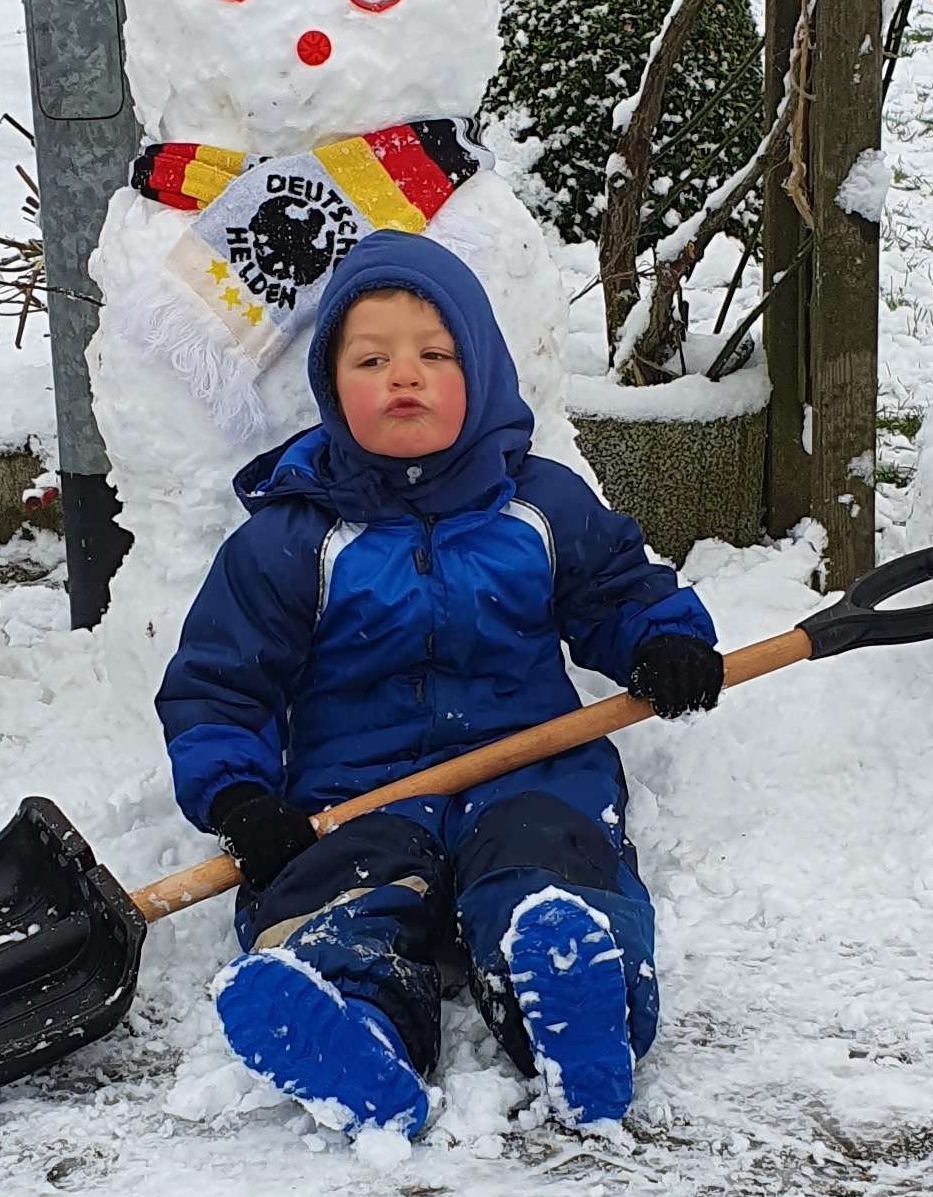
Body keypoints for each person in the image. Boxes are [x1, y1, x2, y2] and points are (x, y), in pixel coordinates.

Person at [158, 237, 723, 1139]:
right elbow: (223, 683)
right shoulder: (290, 539)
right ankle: (352, 1024)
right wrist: (239, 794)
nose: (403, 378)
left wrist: (664, 644)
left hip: (530, 763)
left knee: (548, 862)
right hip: (358, 790)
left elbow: (619, 592)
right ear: (330, 385)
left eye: (434, 354)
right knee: (346, 888)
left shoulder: (540, 504)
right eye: (371, 359)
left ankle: (577, 1001)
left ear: (484, 368)